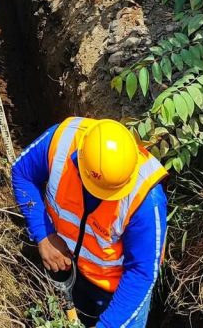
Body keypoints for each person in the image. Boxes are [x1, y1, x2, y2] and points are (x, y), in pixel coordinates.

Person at [12, 117, 168, 328]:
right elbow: (22, 172)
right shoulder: (63, 141)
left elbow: (141, 273)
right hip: (67, 268)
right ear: (79, 162)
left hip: (116, 292)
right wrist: (44, 234)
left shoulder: (147, 200)